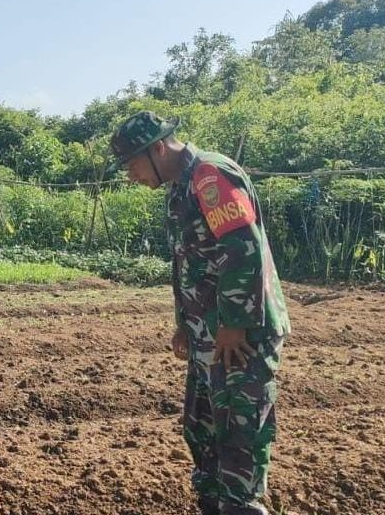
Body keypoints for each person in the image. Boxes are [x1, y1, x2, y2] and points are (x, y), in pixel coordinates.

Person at [109, 111, 291, 515]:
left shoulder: (210, 176)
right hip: (207, 332)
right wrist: (184, 323)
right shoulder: (180, 188)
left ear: (158, 148)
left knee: (239, 433)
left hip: (239, 335)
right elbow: (190, 263)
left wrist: (234, 324)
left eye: (132, 165)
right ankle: (215, 505)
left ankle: (242, 508)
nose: (131, 176)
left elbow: (243, 249)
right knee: (204, 428)